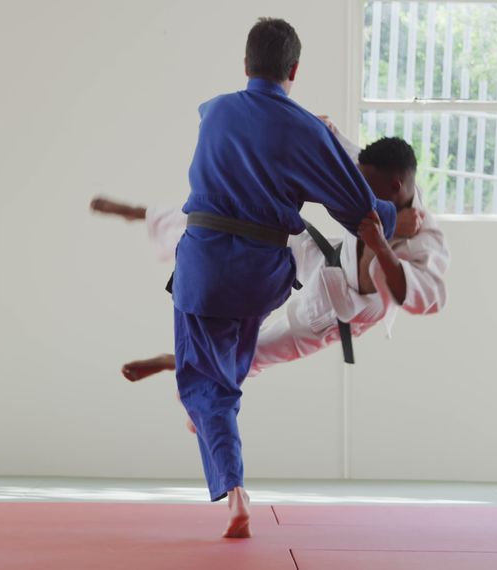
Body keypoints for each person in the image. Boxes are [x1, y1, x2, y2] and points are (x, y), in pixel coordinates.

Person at [167, 18, 398, 538]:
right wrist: (392, 209)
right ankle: (210, 413)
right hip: (261, 277)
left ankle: (233, 486)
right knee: (225, 369)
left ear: (245, 65)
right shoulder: (306, 131)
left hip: (205, 265)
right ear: (295, 69)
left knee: (208, 383)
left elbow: (224, 126)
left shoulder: (216, 110)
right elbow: (360, 211)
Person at [92, 134, 449, 388]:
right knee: (241, 221)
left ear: (397, 186)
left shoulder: (426, 239)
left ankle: (180, 366)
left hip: (342, 308)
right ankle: (143, 214)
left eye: (371, 191)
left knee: (256, 353)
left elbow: (424, 299)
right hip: (328, 252)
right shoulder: (378, 178)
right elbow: (340, 148)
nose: (363, 196)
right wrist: (317, 128)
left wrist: (382, 242)